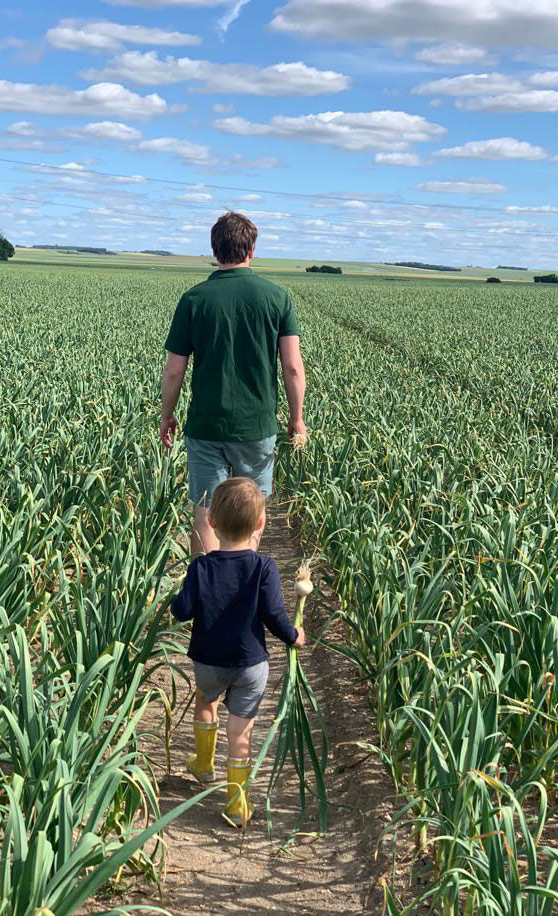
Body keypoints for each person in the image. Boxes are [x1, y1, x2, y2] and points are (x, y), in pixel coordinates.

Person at [160, 211, 307, 555]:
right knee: (251, 511)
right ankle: (242, 587)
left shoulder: (194, 299)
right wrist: (296, 418)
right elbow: (293, 368)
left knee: (206, 509)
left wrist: (167, 415)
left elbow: (173, 372)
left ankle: (207, 593)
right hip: (256, 425)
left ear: (215, 249)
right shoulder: (277, 297)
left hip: (206, 424)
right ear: (251, 249)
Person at [171, 477, 306, 827]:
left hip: (208, 661)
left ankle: (203, 764)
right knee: (240, 732)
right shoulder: (264, 568)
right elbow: (273, 615)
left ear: (211, 523)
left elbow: (182, 611)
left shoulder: (200, 567)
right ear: (261, 524)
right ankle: (236, 803)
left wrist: (179, 593)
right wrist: (293, 635)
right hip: (251, 665)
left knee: (206, 701)